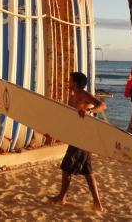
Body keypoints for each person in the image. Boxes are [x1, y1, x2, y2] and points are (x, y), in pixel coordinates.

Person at [49, 72, 107, 212]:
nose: (68, 82)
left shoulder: (83, 95)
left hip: (83, 137)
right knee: (87, 171)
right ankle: (97, 204)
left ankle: (62, 197)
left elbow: (102, 105)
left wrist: (90, 111)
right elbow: (70, 118)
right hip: (77, 136)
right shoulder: (73, 98)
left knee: (66, 167)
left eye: (70, 80)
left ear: (75, 83)